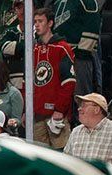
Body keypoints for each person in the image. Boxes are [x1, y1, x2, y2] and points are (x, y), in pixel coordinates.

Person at [32, 7, 76, 151]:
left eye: (40, 21)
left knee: (62, 156)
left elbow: (69, 83)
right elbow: (29, 81)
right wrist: (26, 110)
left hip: (56, 115)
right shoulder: (33, 49)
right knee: (39, 158)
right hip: (36, 114)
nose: (36, 25)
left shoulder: (62, 48)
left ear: (50, 23)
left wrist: (59, 110)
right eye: (35, 21)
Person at [65, 93, 112, 170]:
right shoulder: (76, 132)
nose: (79, 109)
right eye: (80, 106)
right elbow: (66, 160)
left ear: (96, 109)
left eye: (83, 105)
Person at [53, 0, 100, 96]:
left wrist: (80, 52)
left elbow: (92, 26)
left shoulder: (87, 2)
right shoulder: (57, 2)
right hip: (60, 57)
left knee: (80, 97)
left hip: (79, 59)